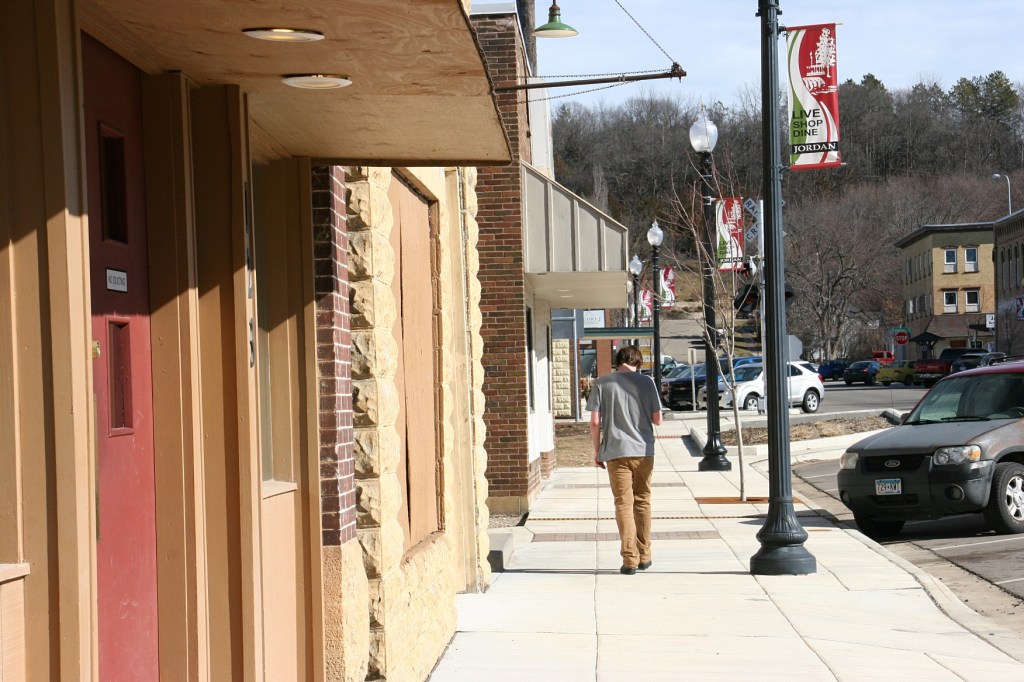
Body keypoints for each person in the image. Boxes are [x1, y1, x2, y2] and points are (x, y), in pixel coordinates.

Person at [587, 345, 663, 575]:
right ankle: (645, 554)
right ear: (638, 362)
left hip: (615, 451)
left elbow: (594, 422)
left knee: (623, 503)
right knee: (643, 500)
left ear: (617, 361)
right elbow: (657, 420)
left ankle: (629, 559)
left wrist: (597, 450)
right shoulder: (647, 383)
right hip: (643, 451)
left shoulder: (602, 383)